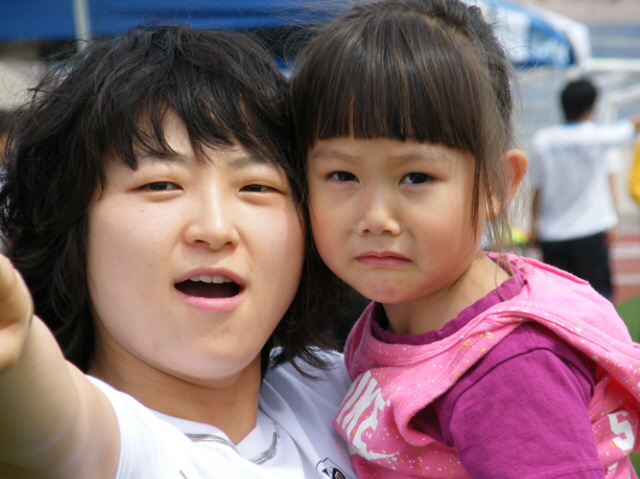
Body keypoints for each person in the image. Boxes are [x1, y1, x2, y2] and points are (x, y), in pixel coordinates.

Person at [291, 0, 640, 477]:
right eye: (341, 175)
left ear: (496, 185)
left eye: (416, 177)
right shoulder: (398, 320)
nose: (375, 218)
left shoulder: (507, 369)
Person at [0, 24, 356, 479]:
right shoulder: (109, 448)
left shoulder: (360, 389)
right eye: (161, 185)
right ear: (70, 224)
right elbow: (50, 423)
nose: (215, 229)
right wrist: (16, 343)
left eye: (257, 187)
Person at [529, 77, 640, 301]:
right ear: (592, 107)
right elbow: (629, 126)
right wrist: (613, 219)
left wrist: (534, 226)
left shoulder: (542, 141)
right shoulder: (598, 136)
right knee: (597, 301)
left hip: (553, 234)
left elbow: (537, 190)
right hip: (591, 231)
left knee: (558, 302)